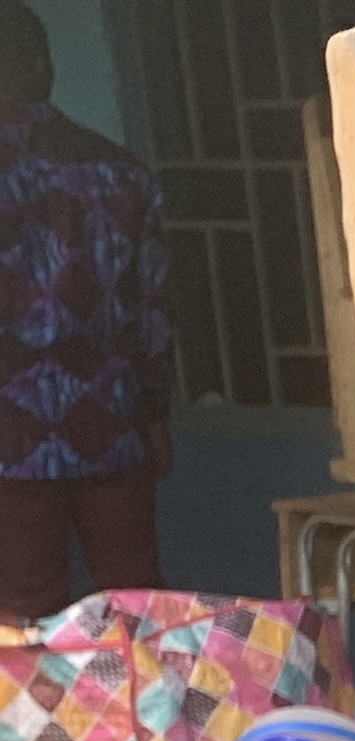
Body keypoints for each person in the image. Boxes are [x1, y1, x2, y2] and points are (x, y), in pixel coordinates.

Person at [0, 0, 172, 622]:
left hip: (10, 438)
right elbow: (151, 315)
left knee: (21, 618)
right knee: (136, 607)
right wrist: (154, 416)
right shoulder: (122, 171)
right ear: (41, 68)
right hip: (113, 424)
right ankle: (144, 692)